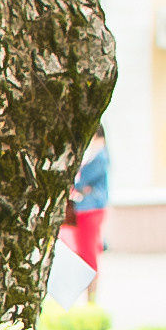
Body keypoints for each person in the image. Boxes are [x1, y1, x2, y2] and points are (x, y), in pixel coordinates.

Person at [59, 127, 109, 301]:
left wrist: (79, 185)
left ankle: (91, 300)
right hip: (87, 209)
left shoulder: (98, 156)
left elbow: (80, 181)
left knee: (88, 253)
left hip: (90, 210)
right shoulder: (95, 154)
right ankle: (88, 298)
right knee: (85, 251)